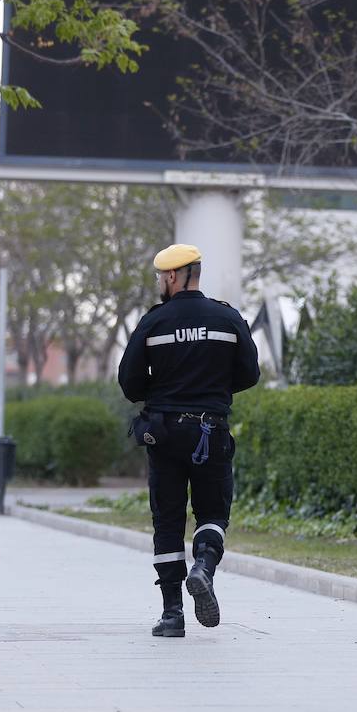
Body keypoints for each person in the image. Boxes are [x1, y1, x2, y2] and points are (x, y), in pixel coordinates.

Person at [118, 244, 260, 638]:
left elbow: (129, 382)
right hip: (210, 429)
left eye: (161, 277)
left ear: (172, 277)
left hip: (164, 431)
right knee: (213, 513)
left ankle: (172, 615)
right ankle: (204, 568)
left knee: (167, 519)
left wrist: (160, 393)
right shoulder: (227, 317)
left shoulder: (154, 322)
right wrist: (213, 389)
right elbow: (250, 373)